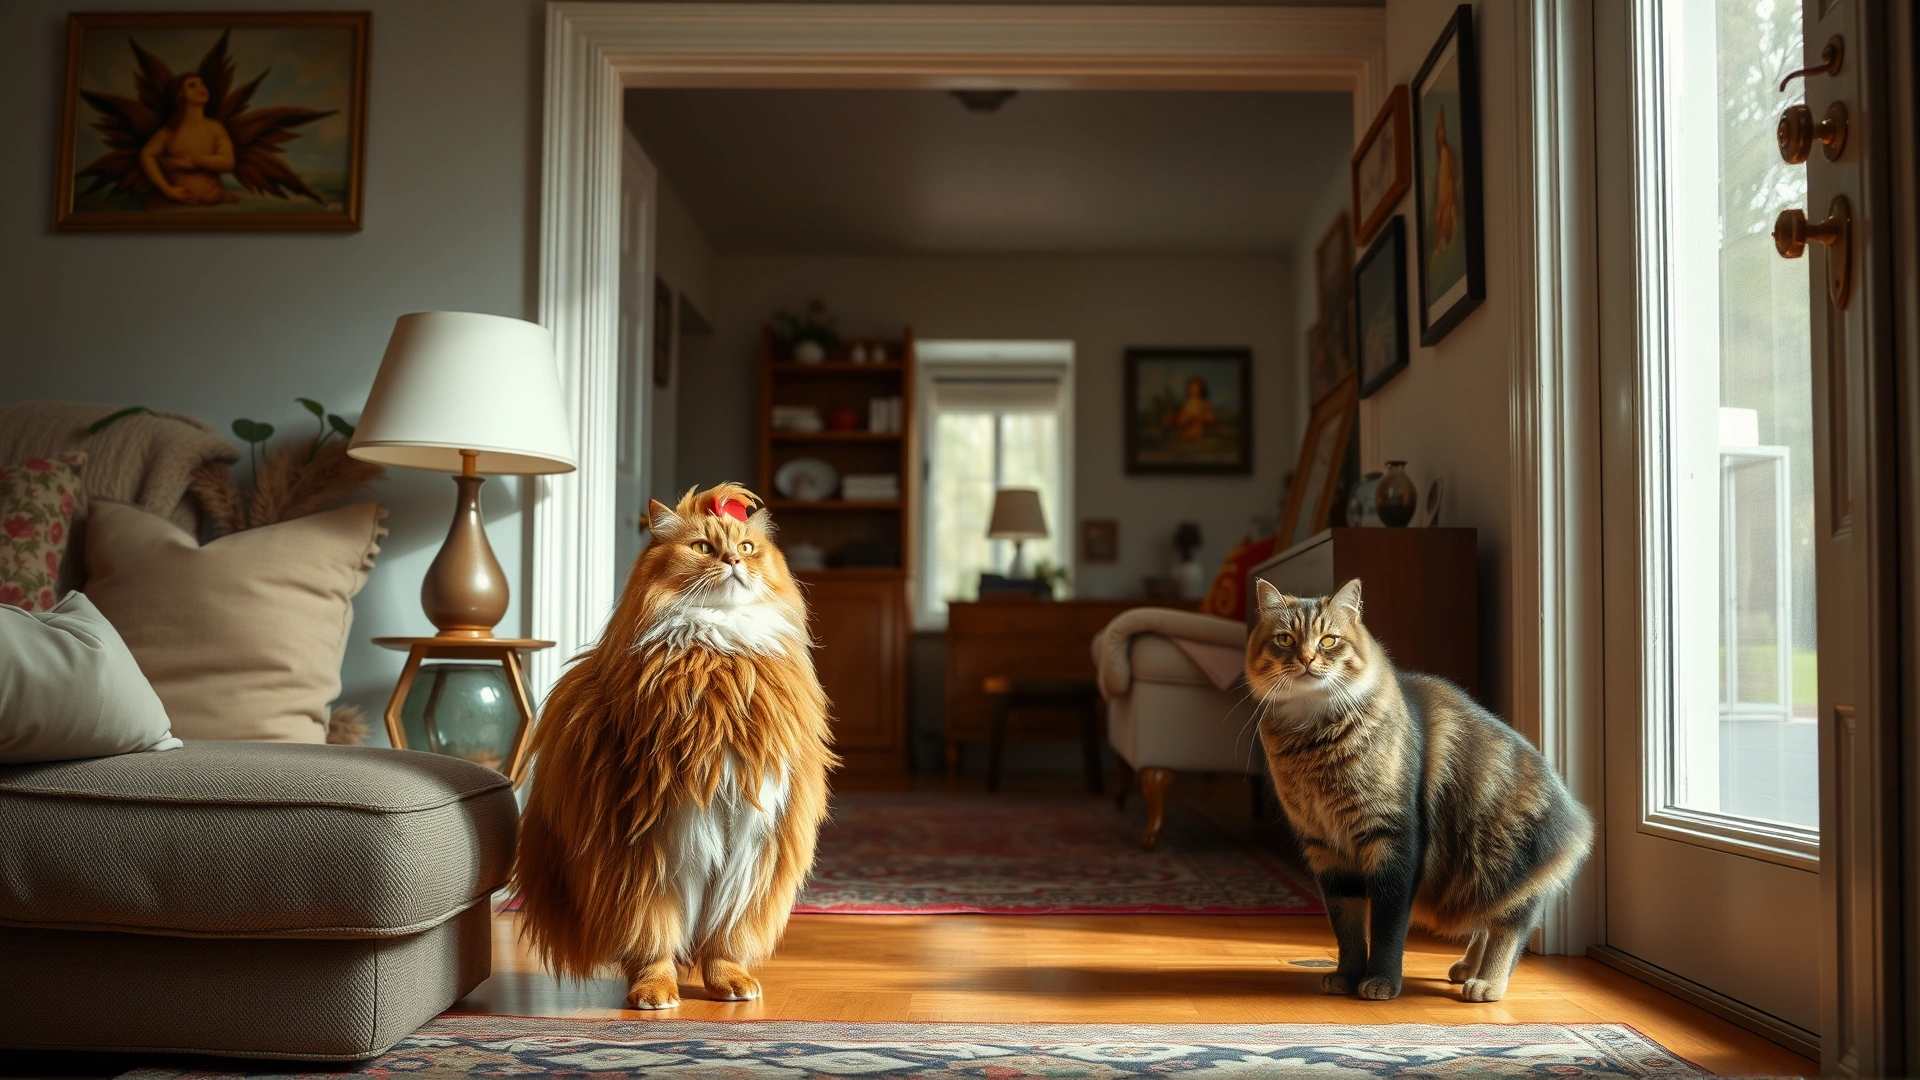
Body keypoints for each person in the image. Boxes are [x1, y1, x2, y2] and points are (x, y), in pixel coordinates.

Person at [140, 74, 238, 206]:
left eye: (202, 83)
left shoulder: (215, 127)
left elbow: (228, 162)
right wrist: (167, 189)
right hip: (179, 206)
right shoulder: (170, 130)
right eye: (192, 85)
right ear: (180, 95)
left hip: (212, 203)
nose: (201, 88)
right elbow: (146, 155)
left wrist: (193, 159)